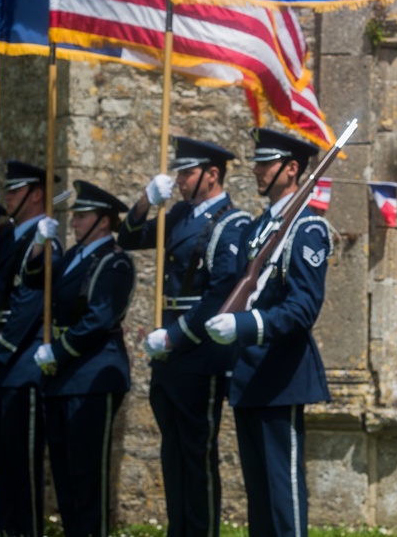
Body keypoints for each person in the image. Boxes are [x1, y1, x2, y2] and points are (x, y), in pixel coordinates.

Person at [117, 137, 252, 537]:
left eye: (187, 172)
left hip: (199, 351)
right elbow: (128, 238)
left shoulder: (232, 222)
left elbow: (221, 292)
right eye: (178, 172)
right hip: (170, 354)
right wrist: (144, 199)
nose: (179, 180)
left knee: (196, 454)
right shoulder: (177, 214)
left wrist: (175, 337)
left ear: (212, 175)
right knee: (173, 452)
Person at [204, 128, 333, 537]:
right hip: (248, 373)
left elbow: (302, 309)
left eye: (266, 163)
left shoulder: (306, 227)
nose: (257, 171)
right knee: (258, 496)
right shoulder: (262, 227)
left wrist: (245, 325)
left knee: (282, 493)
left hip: (281, 375)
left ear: (292, 169)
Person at [33, 180, 134, 537]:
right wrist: (37, 245)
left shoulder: (114, 262)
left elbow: (100, 317)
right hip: (62, 374)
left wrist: (58, 351)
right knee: (63, 468)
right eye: (73, 216)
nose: (73, 222)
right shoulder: (73, 257)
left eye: (81, 216)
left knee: (87, 469)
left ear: (103, 221)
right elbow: (34, 281)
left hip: (93, 374)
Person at [0, 160, 62, 537]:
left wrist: (0, 350)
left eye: (14, 190)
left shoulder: (43, 240)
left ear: (35, 194)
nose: (6, 196)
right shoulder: (6, 237)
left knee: (23, 470)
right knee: (3, 468)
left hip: (21, 366)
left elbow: (31, 302)